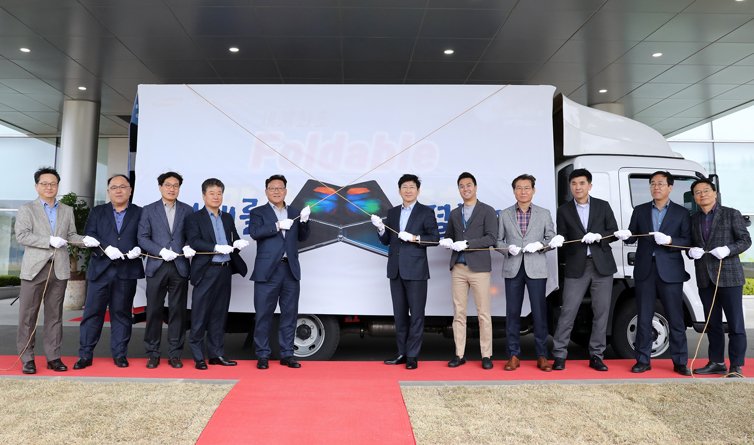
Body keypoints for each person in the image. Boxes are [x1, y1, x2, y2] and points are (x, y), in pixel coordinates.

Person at [15, 167, 84, 374]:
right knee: (27, 316)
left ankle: (53, 357)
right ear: (36, 186)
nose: (49, 187)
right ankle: (27, 359)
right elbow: (22, 235)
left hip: (59, 269)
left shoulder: (67, 210)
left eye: (53, 183)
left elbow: (71, 235)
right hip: (34, 270)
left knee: (55, 316)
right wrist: (48, 241)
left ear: (58, 186)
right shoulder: (27, 209)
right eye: (44, 183)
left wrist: (85, 240)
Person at [550, 168, 619, 372]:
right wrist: (559, 238)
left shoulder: (602, 206)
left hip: (602, 266)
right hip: (576, 265)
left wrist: (599, 236)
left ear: (589, 185)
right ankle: (559, 354)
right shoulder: (564, 210)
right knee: (568, 311)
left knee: (601, 312)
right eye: (574, 184)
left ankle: (596, 355)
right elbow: (562, 236)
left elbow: (613, 232)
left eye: (581, 183)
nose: (577, 187)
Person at [73, 175, 144, 369]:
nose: (118, 190)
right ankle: (85, 355)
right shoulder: (98, 211)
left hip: (127, 271)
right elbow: (90, 235)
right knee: (92, 314)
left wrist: (140, 248)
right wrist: (106, 248)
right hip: (100, 271)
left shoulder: (140, 212)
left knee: (122, 314)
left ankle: (120, 355)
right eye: (114, 187)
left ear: (130, 190)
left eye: (123, 186)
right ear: (108, 191)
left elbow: (145, 236)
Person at [626, 171, 692, 375]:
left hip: (670, 271)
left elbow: (688, 241)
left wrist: (670, 241)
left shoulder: (681, 213)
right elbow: (632, 236)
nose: (656, 187)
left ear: (670, 187)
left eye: (661, 184)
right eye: (653, 183)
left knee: (676, 318)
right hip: (645, 270)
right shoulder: (640, 210)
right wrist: (625, 235)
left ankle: (680, 361)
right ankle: (642, 360)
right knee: (644, 317)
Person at [371, 174, 440, 370]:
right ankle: (401, 353)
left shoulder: (426, 212)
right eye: (404, 187)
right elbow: (387, 241)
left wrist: (414, 238)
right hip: (395, 270)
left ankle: (412, 356)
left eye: (412, 187)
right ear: (399, 190)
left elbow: (435, 238)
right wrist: (380, 229)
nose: (408, 190)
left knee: (416, 315)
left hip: (416, 270)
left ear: (418, 190)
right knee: (399, 316)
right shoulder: (392, 212)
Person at [687, 178, 751, 377]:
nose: (702, 195)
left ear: (715, 193)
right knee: (712, 323)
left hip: (729, 276)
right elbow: (689, 244)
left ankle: (736, 365)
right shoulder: (693, 219)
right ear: (694, 197)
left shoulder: (731, 214)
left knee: (735, 324)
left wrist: (728, 249)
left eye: (706, 190)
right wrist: (690, 251)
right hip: (705, 278)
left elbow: (745, 240)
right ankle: (716, 362)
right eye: (698, 192)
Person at [185, 178, 248, 370]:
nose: (216, 197)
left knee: (219, 315)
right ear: (204, 196)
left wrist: (237, 244)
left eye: (219, 193)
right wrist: (215, 247)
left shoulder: (227, 217)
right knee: (200, 314)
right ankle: (198, 357)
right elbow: (194, 241)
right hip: (206, 270)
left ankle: (216, 354)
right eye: (212, 193)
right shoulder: (194, 218)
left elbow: (234, 239)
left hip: (224, 270)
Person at [249, 174, 311, 370]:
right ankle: (262, 354)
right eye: (272, 188)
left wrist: (304, 221)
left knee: (289, 315)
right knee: (263, 315)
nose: (276, 191)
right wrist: (276, 226)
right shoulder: (257, 212)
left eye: (280, 188)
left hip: (289, 269)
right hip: (267, 271)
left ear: (285, 190)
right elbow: (255, 233)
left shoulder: (294, 211)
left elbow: (303, 237)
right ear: (266, 191)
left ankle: (287, 354)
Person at [438, 172, 498, 370]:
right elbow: (449, 236)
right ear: (459, 189)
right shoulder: (455, 213)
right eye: (462, 186)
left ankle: (486, 355)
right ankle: (459, 354)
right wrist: (447, 242)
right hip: (458, 268)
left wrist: (468, 244)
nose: (466, 189)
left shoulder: (487, 210)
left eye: (469, 185)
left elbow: (491, 238)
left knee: (483, 313)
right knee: (459, 313)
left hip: (479, 269)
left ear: (475, 187)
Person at [496, 174, 555, 372]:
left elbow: (552, 238)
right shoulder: (505, 214)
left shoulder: (544, 213)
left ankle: (542, 355)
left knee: (539, 312)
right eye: (519, 188)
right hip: (513, 267)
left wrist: (541, 245)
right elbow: (498, 241)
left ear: (533, 190)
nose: (523, 191)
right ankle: (513, 355)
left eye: (527, 188)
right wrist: (508, 249)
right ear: (514, 191)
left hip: (536, 268)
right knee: (512, 313)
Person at [137, 171, 195, 369]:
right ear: (160, 187)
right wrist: (160, 251)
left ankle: (175, 354)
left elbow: (191, 236)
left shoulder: (188, 210)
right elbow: (142, 237)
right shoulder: (148, 210)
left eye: (176, 185)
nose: (172, 189)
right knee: (154, 310)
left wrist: (187, 246)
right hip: (157, 266)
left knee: (178, 311)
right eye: (168, 185)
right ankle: (152, 353)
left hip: (179, 266)